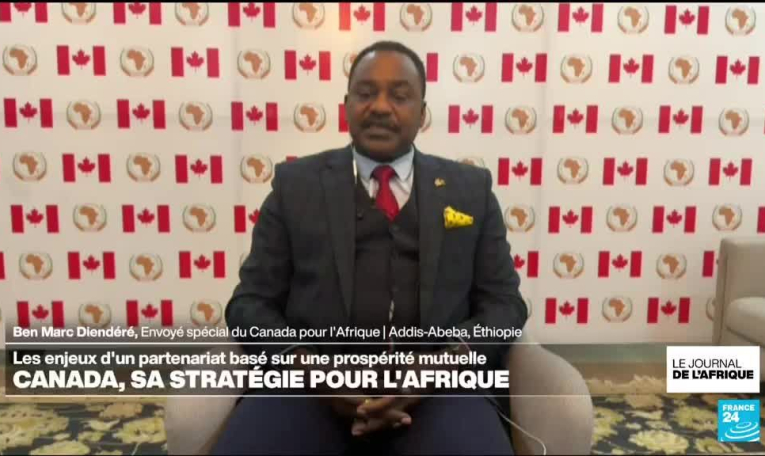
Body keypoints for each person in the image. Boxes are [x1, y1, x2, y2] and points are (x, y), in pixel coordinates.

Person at [215, 40, 528, 455]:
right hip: (308, 390)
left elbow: (505, 305)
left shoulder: (470, 190)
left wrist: (444, 364)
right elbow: (249, 304)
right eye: (365, 93)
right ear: (346, 106)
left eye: (399, 96)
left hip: (441, 391)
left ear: (422, 112)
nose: (380, 107)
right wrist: (310, 370)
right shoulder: (295, 186)